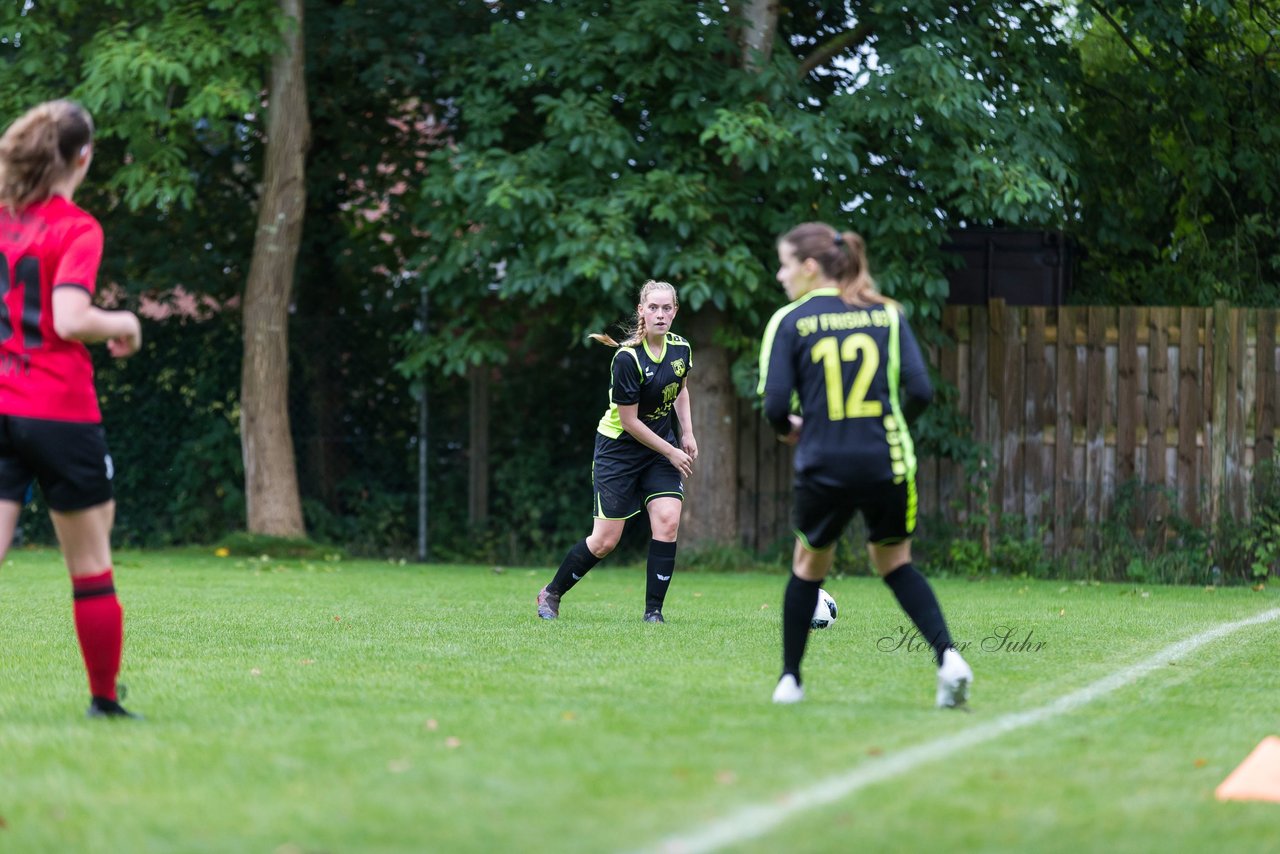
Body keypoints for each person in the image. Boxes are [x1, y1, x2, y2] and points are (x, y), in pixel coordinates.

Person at [758, 222, 972, 707]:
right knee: (895, 562)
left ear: (810, 268)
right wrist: (889, 424)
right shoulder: (887, 314)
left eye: (786, 264)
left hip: (823, 462)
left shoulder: (791, 321)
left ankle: (790, 680)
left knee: (808, 563)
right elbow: (920, 391)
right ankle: (950, 659)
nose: (780, 275)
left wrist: (792, 429)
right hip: (885, 459)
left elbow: (774, 406)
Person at [0, 99, 144, 718]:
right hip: (58, 410)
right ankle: (104, 702)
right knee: (90, 562)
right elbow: (69, 317)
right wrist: (127, 323)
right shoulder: (76, 227)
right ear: (82, 156)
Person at [537, 279, 697, 623]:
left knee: (668, 521)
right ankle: (551, 592)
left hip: (659, 449)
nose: (660, 314)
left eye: (666, 307)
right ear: (641, 311)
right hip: (619, 451)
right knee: (605, 541)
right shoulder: (628, 358)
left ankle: (653, 613)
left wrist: (688, 434)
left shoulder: (681, 347)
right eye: (653, 307)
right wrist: (671, 450)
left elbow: (680, 388)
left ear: (675, 312)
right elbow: (629, 422)